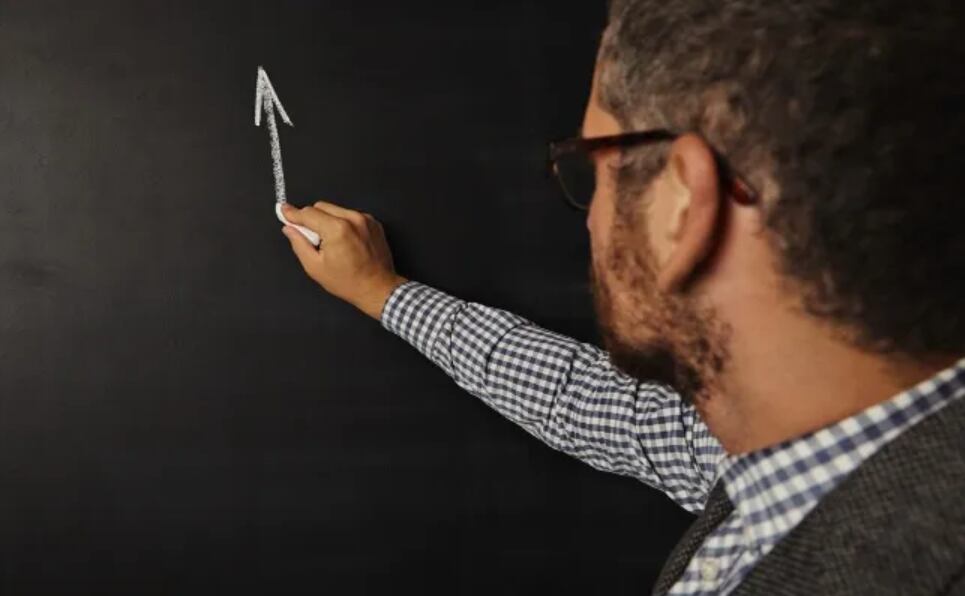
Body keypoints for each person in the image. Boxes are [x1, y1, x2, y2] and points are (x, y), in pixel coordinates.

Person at [278, 1, 965, 594]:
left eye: (592, 169)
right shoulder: (785, 438)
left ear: (681, 206)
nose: (590, 219)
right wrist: (384, 294)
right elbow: (593, 404)